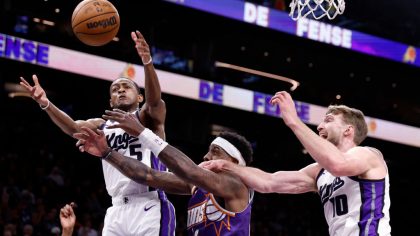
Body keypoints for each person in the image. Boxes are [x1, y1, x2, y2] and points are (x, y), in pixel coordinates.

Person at [19, 31, 176, 235]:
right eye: (115, 89)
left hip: (148, 203)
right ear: (110, 102)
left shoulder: (146, 118)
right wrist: (45, 104)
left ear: (139, 97)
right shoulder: (102, 125)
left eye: (126, 87)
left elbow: (155, 101)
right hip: (117, 209)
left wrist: (147, 62)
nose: (120, 90)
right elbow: (74, 129)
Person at [201, 91, 391, 236]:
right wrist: (226, 166)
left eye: (329, 120)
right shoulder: (319, 172)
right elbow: (269, 182)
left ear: (348, 130)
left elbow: (338, 165)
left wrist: (292, 119)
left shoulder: (369, 155)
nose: (319, 126)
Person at [73, 109, 254, 235]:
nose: (206, 157)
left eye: (215, 151)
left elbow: (190, 171)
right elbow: (148, 176)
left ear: (234, 161)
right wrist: (107, 153)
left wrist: (143, 133)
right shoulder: (197, 186)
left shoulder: (236, 185)